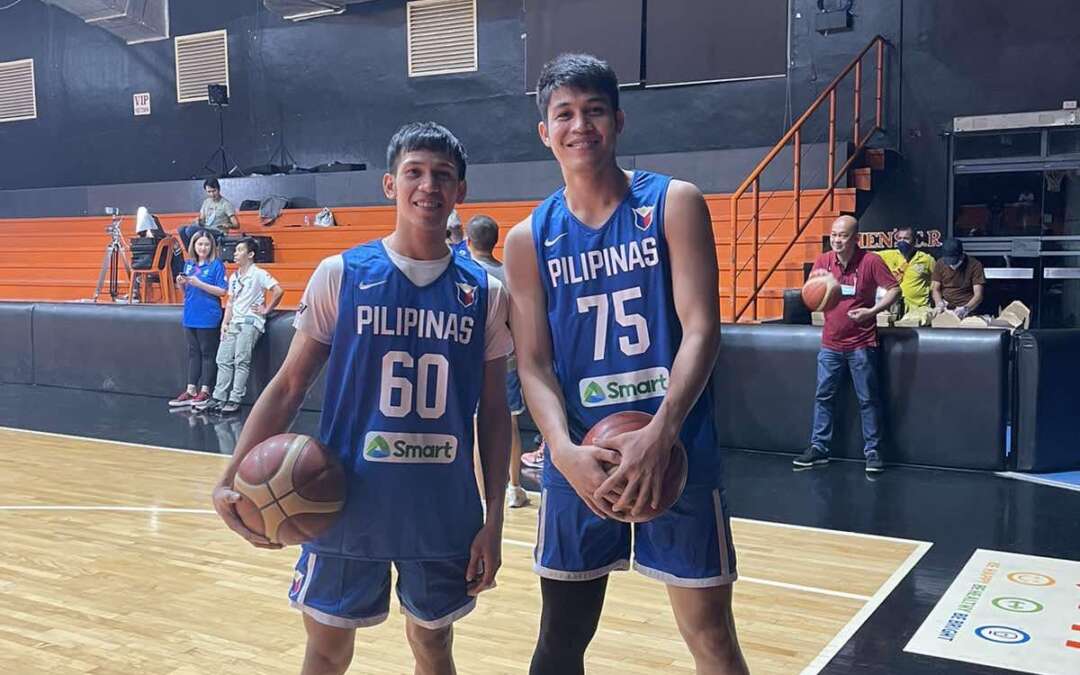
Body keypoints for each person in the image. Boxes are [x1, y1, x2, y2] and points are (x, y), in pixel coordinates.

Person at [211, 121, 512, 675]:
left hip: (442, 510)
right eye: (414, 173)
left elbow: (494, 414)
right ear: (389, 185)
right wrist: (230, 476)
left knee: (434, 646)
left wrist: (495, 520)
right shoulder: (341, 275)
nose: (429, 185)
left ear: (460, 192)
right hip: (341, 501)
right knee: (326, 652)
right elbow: (287, 386)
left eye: (443, 175)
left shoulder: (486, 292)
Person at [503, 54, 749, 675]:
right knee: (560, 640)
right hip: (581, 458)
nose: (579, 125)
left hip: (677, 449)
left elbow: (702, 329)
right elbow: (531, 362)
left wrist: (661, 433)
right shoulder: (529, 237)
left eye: (593, 111)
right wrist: (559, 450)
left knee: (712, 638)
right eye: (564, 114)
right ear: (545, 132)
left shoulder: (674, 203)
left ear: (618, 120)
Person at [793, 216, 901, 474]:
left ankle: (873, 451)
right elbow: (811, 294)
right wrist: (815, 295)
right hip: (830, 343)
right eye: (834, 235)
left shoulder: (871, 261)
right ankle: (819, 448)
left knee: (868, 399)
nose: (837, 240)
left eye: (842, 236)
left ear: (856, 239)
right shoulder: (823, 262)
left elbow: (894, 290)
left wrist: (871, 311)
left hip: (862, 343)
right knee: (823, 396)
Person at [466, 214, 529, 508]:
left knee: (480, 428)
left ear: (468, 242)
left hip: (473, 363)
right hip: (507, 360)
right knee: (511, 423)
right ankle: (514, 488)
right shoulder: (508, 275)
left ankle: (482, 496)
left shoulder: (463, 274)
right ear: (495, 242)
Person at [195, 237, 283, 415]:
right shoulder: (234, 277)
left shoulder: (258, 273)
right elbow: (231, 302)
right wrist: (225, 323)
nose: (235, 254)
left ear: (250, 254)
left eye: (239, 250)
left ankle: (235, 398)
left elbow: (278, 290)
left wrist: (266, 309)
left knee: (241, 360)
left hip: (250, 322)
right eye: (235, 251)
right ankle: (219, 396)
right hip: (234, 322)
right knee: (223, 359)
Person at [169, 229, 228, 408]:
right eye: (200, 244)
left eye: (206, 244)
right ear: (194, 245)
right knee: (193, 352)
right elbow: (187, 292)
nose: (203, 247)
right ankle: (191, 389)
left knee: (207, 352)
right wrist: (181, 285)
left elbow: (223, 291)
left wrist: (200, 284)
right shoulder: (189, 265)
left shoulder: (216, 265)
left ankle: (206, 389)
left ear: (212, 247)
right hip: (191, 314)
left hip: (208, 315)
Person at [877, 226, 935, 313]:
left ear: (915, 241)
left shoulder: (927, 259)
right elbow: (867, 257)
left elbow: (936, 282)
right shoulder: (887, 255)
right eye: (899, 238)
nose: (902, 241)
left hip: (918, 310)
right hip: (893, 309)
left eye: (906, 238)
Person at [932, 238, 985, 318]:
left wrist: (965, 309)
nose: (951, 264)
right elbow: (935, 288)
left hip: (967, 308)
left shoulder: (975, 265)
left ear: (961, 255)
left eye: (953, 260)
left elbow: (978, 295)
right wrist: (939, 303)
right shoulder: (940, 263)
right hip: (946, 308)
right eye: (948, 260)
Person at [180, 178, 240, 248]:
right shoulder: (206, 202)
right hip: (206, 229)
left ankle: (196, 251)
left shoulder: (226, 204)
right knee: (181, 229)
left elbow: (236, 225)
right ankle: (192, 253)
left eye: (214, 191)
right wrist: (198, 221)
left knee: (190, 230)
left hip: (218, 232)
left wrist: (228, 225)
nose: (212, 194)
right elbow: (202, 220)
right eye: (209, 192)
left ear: (219, 189)